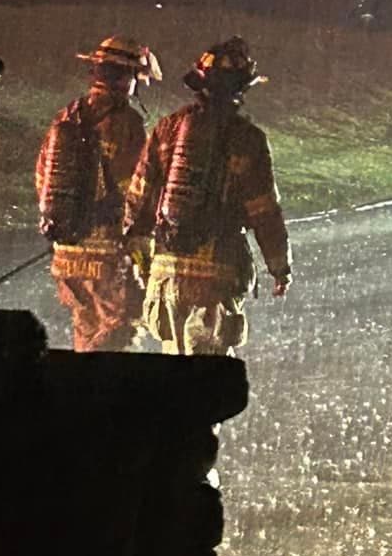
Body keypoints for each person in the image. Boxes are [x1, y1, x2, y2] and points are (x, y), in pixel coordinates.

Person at [123, 36, 291, 357]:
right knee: (208, 374)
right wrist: (280, 268)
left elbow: (138, 201)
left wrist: (143, 263)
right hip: (217, 276)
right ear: (241, 88)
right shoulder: (248, 139)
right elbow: (264, 213)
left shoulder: (167, 129)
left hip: (166, 276)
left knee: (172, 367)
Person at [36, 34, 161, 352]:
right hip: (107, 255)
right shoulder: (127, 123)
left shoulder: (66, 116)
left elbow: (42, 177)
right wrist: (141, 240)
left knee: (86, 330)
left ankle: (80, 382)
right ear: (127, 78)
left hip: (66, 255)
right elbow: (137, 188)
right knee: (118, 334)